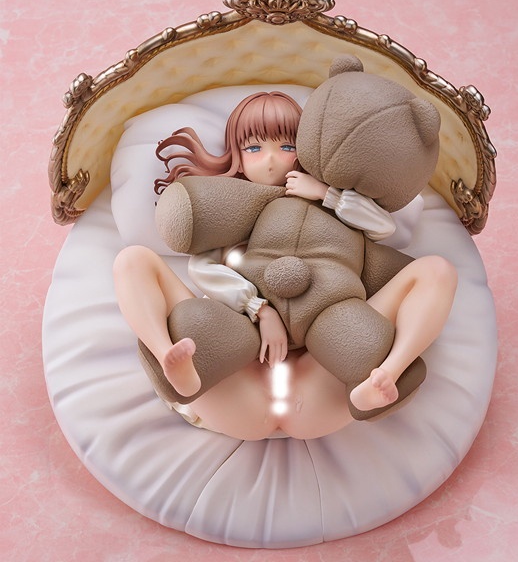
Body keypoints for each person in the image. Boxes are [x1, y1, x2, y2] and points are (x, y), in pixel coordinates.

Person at [113, 92, 457, 439]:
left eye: (287, 146)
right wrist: (259, 309)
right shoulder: (231, 214)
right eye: (254, 148)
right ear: (237, 157)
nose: (271, 160)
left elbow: (384, 227)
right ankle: (172, 361)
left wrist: (325, 194)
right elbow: (202, 269)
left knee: (437, 270)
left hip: (315, 382)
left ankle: (385, 374)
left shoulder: (335, 207)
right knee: (134, 259)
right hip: (232, 377)